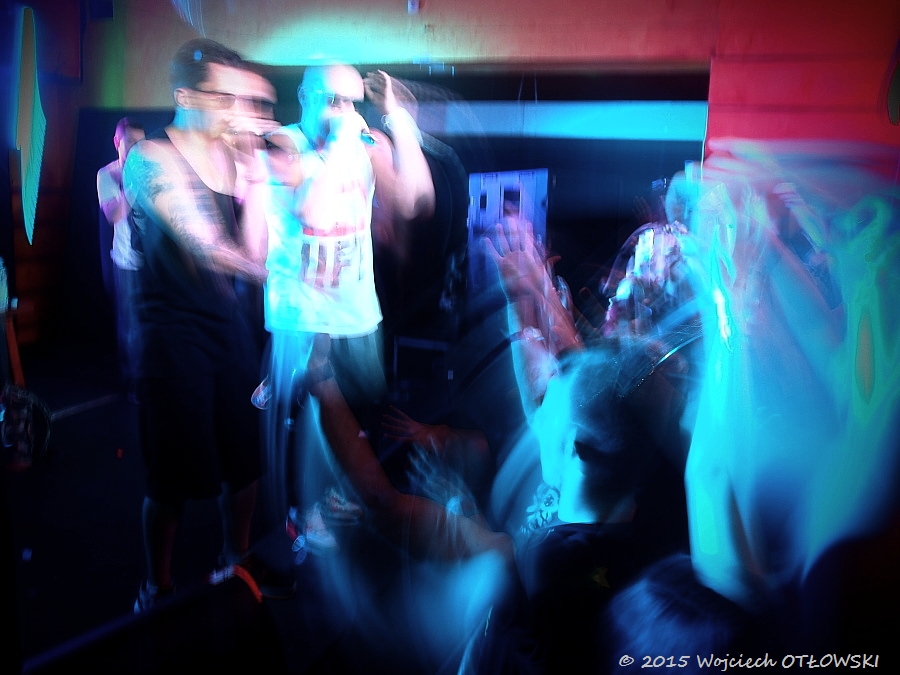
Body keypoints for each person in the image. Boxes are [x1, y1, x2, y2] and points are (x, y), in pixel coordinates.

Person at [123, 37, 291, 610]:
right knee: (171, 477)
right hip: (171, 335)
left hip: (226, 326)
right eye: (222, 97)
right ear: (184, 97)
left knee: (244, 460)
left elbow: (252, 247)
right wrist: (285, 278)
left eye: (237, 97)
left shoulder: (232, 156)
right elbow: (208, 245)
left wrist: (259, 175)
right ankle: (157, 587)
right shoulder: (151, 158)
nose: (235, 109)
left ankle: (234, 557)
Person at [257, 63, 435, 549]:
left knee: (360, 414)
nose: (345, 111)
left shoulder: (364, 146)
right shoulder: (281, 144)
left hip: (357, 309)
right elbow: (308, 209)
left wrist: (399, 120)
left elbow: (415, 200)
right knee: (306, 423)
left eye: (353, 101)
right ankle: (297, 517)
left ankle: (338, 503)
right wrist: (341, 142)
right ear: (304, 95)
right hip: (303, 316)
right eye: (333, 99)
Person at [97, 117, 145, 401]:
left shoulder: (150, 169)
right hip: (126, 261)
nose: (137, 148)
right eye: (132, 143)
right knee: (130, 325)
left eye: (141, 142)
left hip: (152, 262)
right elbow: (114, 214)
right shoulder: (107, 174)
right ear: (117, 142)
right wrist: (132, 184)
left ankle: (151, 380)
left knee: (152, 323)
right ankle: (132, 384)